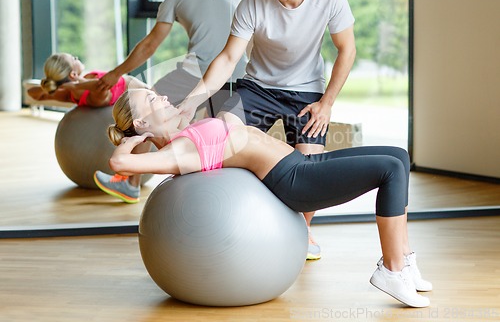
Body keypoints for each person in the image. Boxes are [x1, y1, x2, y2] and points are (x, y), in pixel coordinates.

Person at [96, 88, 432, 308]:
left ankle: (405, 259)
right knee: (390, 170)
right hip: (295, 180)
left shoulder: (184, 134)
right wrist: (128, 139)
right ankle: (391, 269)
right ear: (141, 121)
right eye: (152, 100)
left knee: (399, 156)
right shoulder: (176, 152)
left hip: (299, 163)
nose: (162, 97)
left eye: (156, 93)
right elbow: (119, 162)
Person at [178, 0, 356, 260]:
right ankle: (226, 221)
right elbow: (229, 57)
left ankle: (301, 230)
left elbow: (347, 49)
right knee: (221, 132)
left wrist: (327, 103)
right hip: (258, 86)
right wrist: (192, 99)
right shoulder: (254, 0)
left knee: (309, 167)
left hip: (307, 92)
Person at [94, 0, 248, 196]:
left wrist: (115, 74)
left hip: (199, 69)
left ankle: (129, 183)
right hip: (239, 70)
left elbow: (150, 46)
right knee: (223, 136)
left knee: (145, 105)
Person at [27, 53, 145, 108]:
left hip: (139, 90)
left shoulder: (69, 94)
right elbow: (99, 85)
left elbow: (32, 93)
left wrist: (52, 85)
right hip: (140, 93)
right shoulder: (94, 94)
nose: (77, 58)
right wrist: (74, 85)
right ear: (73, 74)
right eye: (74, 59)